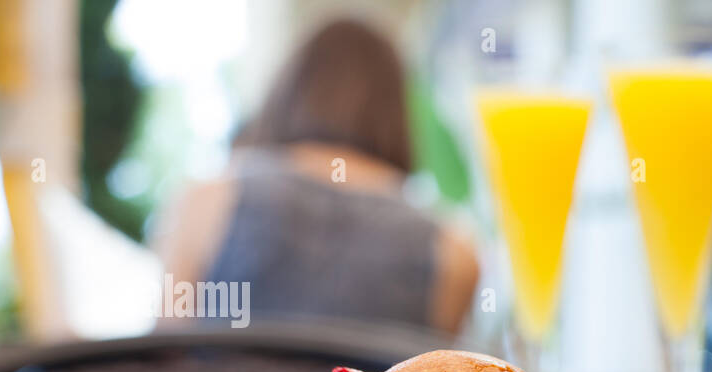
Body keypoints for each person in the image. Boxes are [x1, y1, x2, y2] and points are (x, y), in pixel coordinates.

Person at [154, 18, 479, 333]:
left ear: (289, 92)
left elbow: (160, 359)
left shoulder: (208, 201)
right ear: (397, 114)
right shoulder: (454, 253)